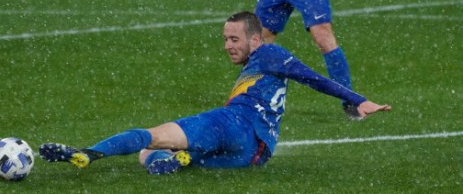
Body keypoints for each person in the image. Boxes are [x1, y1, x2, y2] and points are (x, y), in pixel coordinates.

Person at [39, 11, 390, 175]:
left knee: (151, 140)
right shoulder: (263, 62)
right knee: (161, 157)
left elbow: (315, 78)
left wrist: (358, 99)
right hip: (255, 153)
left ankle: (87, 155)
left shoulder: (269, 52)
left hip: (233, 122)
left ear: (255, 39)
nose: (227, 45)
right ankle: (183, 160)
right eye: (224, 39)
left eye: (233, 39)